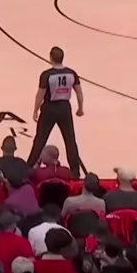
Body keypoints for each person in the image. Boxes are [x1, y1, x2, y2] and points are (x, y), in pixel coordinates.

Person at [27, 46, 86, 178]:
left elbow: (40, 95)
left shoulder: (47, 75)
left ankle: (28, 167)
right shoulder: (71, 73)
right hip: (65, 108)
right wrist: (80, 108)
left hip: (49, 108)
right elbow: (79, 92)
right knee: (70, 140)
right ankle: (75, 171)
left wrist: (35, 110)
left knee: (40, 139)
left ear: (51, 58)